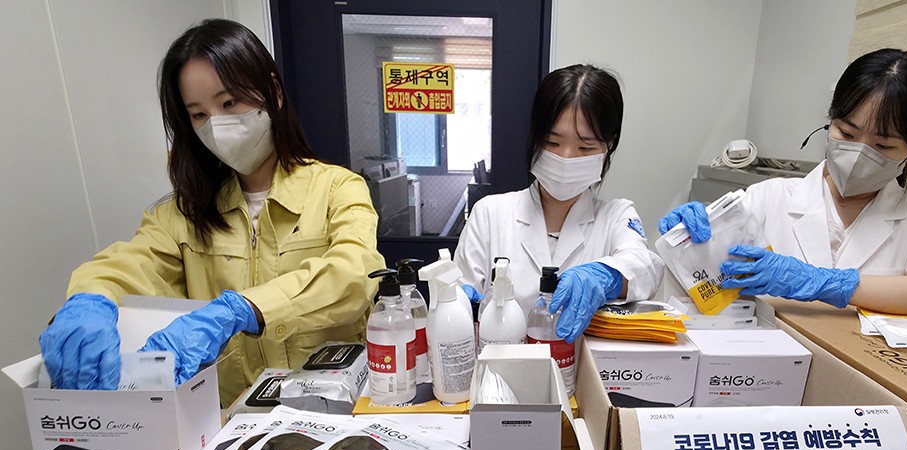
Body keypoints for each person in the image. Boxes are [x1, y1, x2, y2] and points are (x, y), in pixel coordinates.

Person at [39, 19, 384, 405]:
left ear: (273, 93)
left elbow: (355, 272)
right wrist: (90, 299)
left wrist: (243, 309)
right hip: (231, 423)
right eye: (199, 114)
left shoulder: (336, 188)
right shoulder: (183, 213)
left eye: (229, 103)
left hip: (333, 411)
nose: (217, 125)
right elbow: (132, 263)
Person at [660, 48, 907, 319]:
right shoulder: (770, 197)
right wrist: (688, 244)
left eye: (883, 145)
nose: (858, 154)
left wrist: (824, 282)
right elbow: (698, 288)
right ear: (829, 121)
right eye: (846, 133)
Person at [455, 64, 663, 343]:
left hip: (582, 369)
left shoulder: (616, 216)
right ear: (535, 136)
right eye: (552, 143)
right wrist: (461, 304)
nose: (566, 157)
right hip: (500, 367)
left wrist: (606, 276)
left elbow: (645, 269)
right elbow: (458, 300)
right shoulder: (490, 214)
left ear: (609, 144)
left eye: (585, 147)